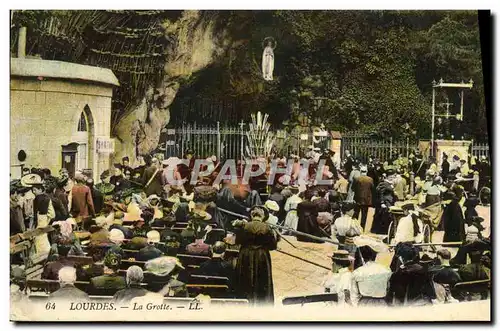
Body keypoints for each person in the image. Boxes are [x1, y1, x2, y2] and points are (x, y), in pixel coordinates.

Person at [235, 206, 278, 305]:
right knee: (262, 279)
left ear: (251, 215)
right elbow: (272, 246)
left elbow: (238, 241)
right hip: (262, 255)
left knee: (245, 278)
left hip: (245, 254)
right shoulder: (268, 228)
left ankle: (245, 301)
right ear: (262, 216)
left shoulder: (244, 226)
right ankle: (262, 302)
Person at [353, 165, 374, 230]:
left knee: (356, 213)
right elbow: (372, 188)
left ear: (360, 171)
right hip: (367, 200)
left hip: (358, 199)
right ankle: (362, 228)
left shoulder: (357, 179)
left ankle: (354, 226)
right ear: (366, 171)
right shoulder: (370, 179)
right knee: (364, 215)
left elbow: (353, 188)